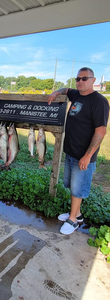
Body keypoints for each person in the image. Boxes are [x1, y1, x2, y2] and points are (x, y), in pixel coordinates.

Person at [48, 67, 109, 235]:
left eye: (84, 78)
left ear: (93, 80)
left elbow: (101, 131)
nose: (80, 81)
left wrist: (88, 156)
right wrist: (55, 92)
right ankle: (77, 214)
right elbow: (66, 90)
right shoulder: (75, 95)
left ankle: (73, 220)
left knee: (77, 188)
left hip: (83, 156)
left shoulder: (99, 101)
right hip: (71, 152)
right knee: (70, 185)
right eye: (78, 79)